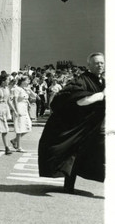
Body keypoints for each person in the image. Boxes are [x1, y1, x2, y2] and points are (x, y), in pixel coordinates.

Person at [39, 52, 105, 194]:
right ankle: (69, 186)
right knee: (74, 154)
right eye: (96, 63)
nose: (100, 65)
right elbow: (80, 101)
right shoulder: (81, 80)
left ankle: (69, 185)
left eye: (102, 63)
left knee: (89, 154)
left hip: (95, 126)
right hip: (81, 126)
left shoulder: (103, 81)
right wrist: (102, 95)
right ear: (89, 65)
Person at [10, 76, 33, 152]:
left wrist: (28, 103)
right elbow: (15, 100)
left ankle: (14, 140)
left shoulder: (24, 89)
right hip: (19, 108)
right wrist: (16, 110)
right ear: (22, 81)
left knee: (28, 126)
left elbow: (26, 98)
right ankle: (19, 147)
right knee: (20, 128)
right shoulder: (17, 89)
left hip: (24, 109)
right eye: (27, 80)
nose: (28, 82)